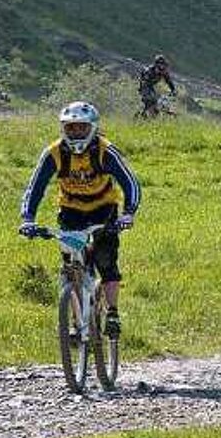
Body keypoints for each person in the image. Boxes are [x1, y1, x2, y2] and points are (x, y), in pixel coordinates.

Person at [19, 102, 141, 339]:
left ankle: (113, 313)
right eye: (71, 128)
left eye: (81, 128)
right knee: (70, 268)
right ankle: (76, 322)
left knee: (106, 261)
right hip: (71, 212)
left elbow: (130, 183)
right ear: (63, 129)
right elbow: (35, 188)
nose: (76, 133)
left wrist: (128, 213)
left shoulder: (105, 151)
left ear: (92, 128)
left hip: (103, 212)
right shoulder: (54, 153)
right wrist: (28, 219)